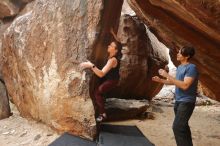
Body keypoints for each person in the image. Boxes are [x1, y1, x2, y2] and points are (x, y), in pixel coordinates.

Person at [152, 46, 199, 146]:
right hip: (178, 101)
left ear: (187, 56)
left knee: (177, 127)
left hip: (187, 102)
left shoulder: (191, 68)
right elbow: (176, 82)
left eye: (180, 53)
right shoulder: (180, 67)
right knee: (183, 126)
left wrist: (167, 75)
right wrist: (161, 80)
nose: (177, 54)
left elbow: (185, 85)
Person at [80, 30, 121, 122]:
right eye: (109, 45)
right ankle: (102, 106)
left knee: (97, 93)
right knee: (101, 92)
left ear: (116, 50)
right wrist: (113, 33)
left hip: (112, 81)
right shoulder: (113, 54)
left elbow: (101, 74)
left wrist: (91, 66)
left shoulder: (113, 60)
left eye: (111, 46)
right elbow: (119, 43)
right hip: (110, 78)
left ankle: (103, 114)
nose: (108, 46)